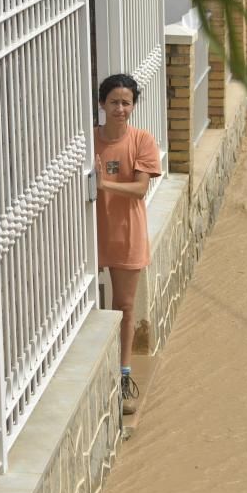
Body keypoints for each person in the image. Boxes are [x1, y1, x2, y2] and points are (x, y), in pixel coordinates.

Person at [93, 74, 162, 415]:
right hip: (89, 236)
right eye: (114, 101)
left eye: (126, 102)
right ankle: (97, 371)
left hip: (127, 234)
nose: (120, 108)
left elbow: (139, 189)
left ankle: (123, 376)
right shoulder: (87, 141)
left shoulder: (142, 140)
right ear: (102, 103)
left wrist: (102, 183)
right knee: (92, 306)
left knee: (124, 307)